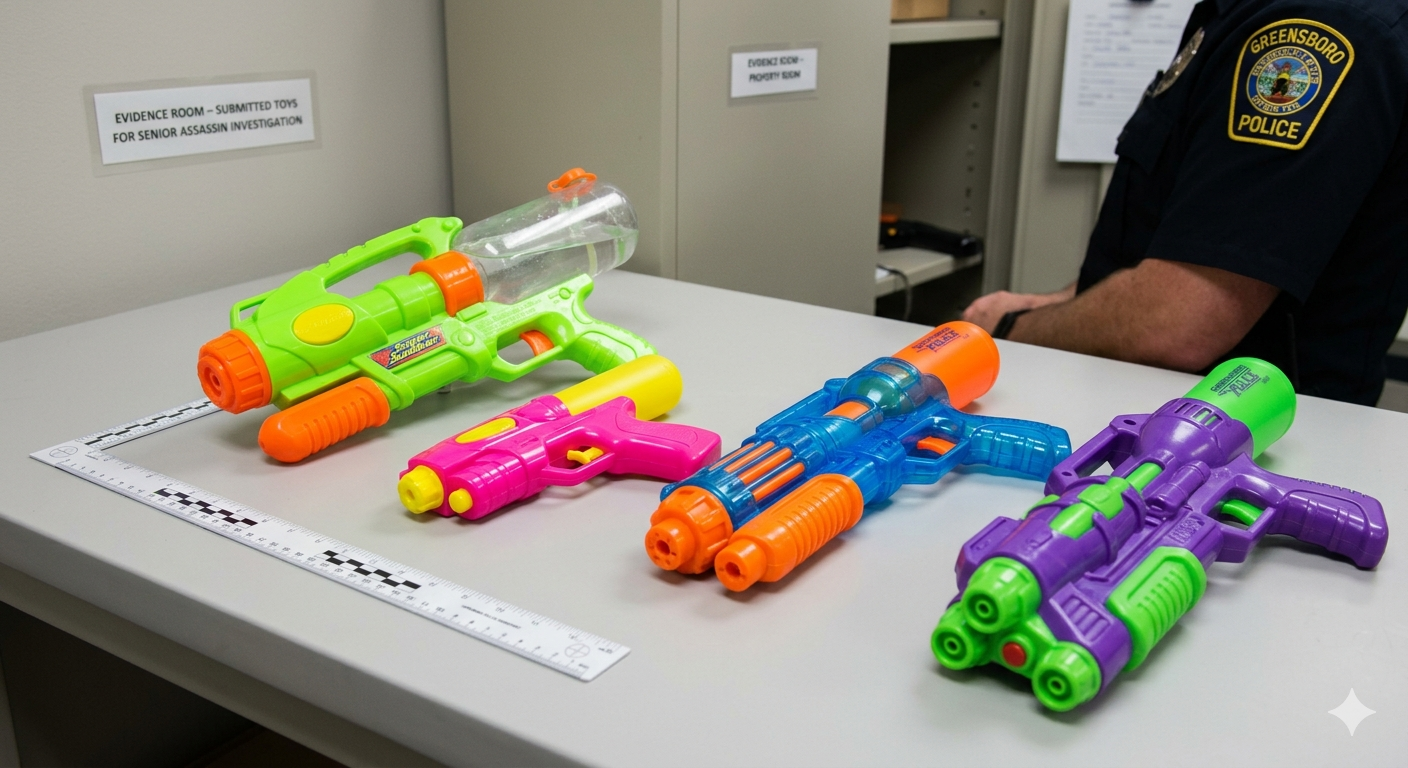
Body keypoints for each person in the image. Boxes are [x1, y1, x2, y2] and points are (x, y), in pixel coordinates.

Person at [962, 0, 1408, 406]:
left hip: (1235, 437)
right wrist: (1049, 305)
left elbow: (1178, 323)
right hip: (1173, 414)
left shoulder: (1316, 26)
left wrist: (1012, 328)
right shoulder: (1240, 14)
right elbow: (1184, 239)